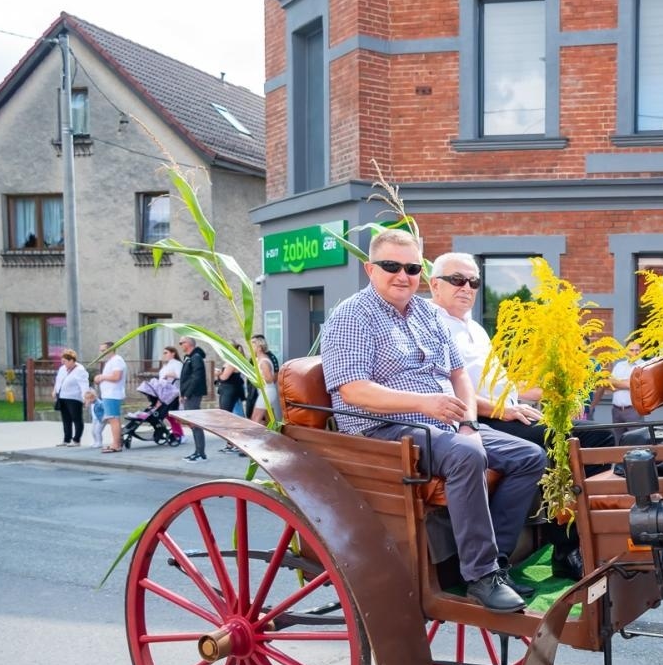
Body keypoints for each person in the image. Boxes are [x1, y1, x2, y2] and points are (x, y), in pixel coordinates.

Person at [321, 230, 547, 612]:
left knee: (530, 456)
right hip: (382, 431)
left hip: (443, 423)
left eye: (411, 268)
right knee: (464, 456)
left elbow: (459, 375)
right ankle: (479, 574)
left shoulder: (427, 312)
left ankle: (497, 563)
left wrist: (470, 424)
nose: (402, 275)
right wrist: (425, 405)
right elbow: (353, 391)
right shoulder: (351, 316)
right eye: (391, 266)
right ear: (370, 269)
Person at [426, 250, 616, 578]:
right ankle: (558, 546)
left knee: (601, 437)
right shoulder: (432, 324)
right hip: (479, 419)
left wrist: (552, 394)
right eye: (457, 280)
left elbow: (500, 382)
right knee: (571, 442)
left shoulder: (476, 329)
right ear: (434, 286)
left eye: (473, 281)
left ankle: (572, 541)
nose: (466, 287)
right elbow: (451, 389)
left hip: (510, 411)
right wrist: (504, 409)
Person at [179, 335, 209, 461]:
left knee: (195, 422)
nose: (180, 345)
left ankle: (200, 453)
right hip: (188, 393)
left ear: (188, 344)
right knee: (192, 423)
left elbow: (196, 378)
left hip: (193, 394)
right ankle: (198, 451)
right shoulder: (189, 357)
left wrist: (187, 393)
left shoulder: (195, 358)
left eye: (181, 342)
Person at [52, 349, 90, 446]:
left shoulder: (80, 370)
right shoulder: (62, 369)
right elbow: (58, 380)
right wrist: (55, 390)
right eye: (62, 361)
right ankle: (66, 439)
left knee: (76, 418)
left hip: (74, 398)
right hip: (63, 397)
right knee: (66, 419)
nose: (63, 364)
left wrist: (86, 397)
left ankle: (76, 440)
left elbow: (84, 385)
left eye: (65, 361)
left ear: (72, 360)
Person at [95, 340, 128, 453]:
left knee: (113, 418)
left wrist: (102, 377)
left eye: (104, 351)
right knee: (112, 418)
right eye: (101, 351)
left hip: (113, 394)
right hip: (108, 393)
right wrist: (100, 378)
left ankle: (116, 444)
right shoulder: (111, 361)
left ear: (111, 349)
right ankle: (116, 442)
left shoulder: (117, 360)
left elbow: (116, 376)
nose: (102, 353)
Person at [215, 347, 247, 453]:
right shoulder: (232, 361)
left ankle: (236, 444)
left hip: (230, 392)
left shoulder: (233, 361)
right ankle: (231, 443)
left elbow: (224, 377)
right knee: (234, 417)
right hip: (230, 391)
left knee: (231, 418)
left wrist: (218, 374)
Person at [609, 339, 642, 425]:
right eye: (631, 350)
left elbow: (635, 385)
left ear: (641, 350)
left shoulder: (643, 366)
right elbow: (609, 384)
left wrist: (617, 383)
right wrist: (627, 383)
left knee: (634, 438)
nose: (635, 352)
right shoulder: (619, 365)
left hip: (633, 411)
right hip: (616, 410)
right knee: (618, 438)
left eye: (637, 350)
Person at [157, 345, 185, 443]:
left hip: (173, 392)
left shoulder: (177, 364)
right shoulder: (167, 365)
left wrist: (168, 375)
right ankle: (175, 432)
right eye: (163, 353)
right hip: (165, 392)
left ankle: (179, 434)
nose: (164, 355)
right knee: (167, 414)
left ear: (173, 353)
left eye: (166, 353)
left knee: (171, 414)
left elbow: (180, 376)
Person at [249, 335, 280, 424]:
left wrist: (258, 377)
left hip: (267, 392)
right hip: (265, 392)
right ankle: (272, 436)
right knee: (269, 421)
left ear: (259, 347)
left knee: (255, 419)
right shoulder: (257, 359)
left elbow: (269, 379)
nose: (251, 348)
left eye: (252, 345)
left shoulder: (264, 362)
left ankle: (255, 437)